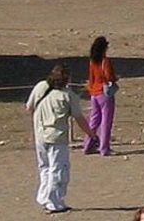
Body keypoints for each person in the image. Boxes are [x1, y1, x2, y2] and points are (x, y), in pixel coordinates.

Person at [26, 65, 92, 215]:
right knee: (59, 169)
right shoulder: (68, 95)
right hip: (57, 137)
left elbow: (29, 107)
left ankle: (44, 197)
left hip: (40, 134)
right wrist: (91, 133)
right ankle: (54, 202)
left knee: (44, 167)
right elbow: (79, 118)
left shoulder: (40, 87)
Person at [84, 35, 119, 155]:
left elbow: (91, 77)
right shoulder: (105, 61)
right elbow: (109, 76)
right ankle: (104, 148)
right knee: (106, 121)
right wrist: (115, 79)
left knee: (93, 120)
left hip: (94, 92)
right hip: (104, 93)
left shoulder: (92, 61)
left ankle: (87, 145)